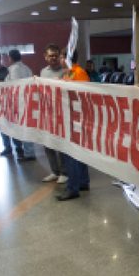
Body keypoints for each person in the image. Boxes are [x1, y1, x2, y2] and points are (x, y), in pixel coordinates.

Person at [56, 51, 90, 201]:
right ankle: (82, 182)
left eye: (62, 57)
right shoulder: (68, 73)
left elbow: (84, 95)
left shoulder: (79, 73)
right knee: (78, 153)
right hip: (70, 117)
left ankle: (73, 187)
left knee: (71, 154)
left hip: (77, 118)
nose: (60, 59)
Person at [39, 44, 68, 184]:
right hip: (47, 112)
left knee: (60, 144)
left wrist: (62, 82)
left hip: (61, 113)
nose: (54, 58)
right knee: (48, 143)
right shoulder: (43, 72)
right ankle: (54, 171)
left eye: (56, 55)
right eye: (51, 55)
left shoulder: (65, 71)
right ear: (45, 57)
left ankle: (64, 172)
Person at [5, 49, 36, 161]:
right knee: (28, 127)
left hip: (19, 102)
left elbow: (14, 86)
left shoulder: (14, 69)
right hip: (28, 101)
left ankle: (28, 153)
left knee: (22, 128)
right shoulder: (27, 68)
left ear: (10, 58)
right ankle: (30, 152)